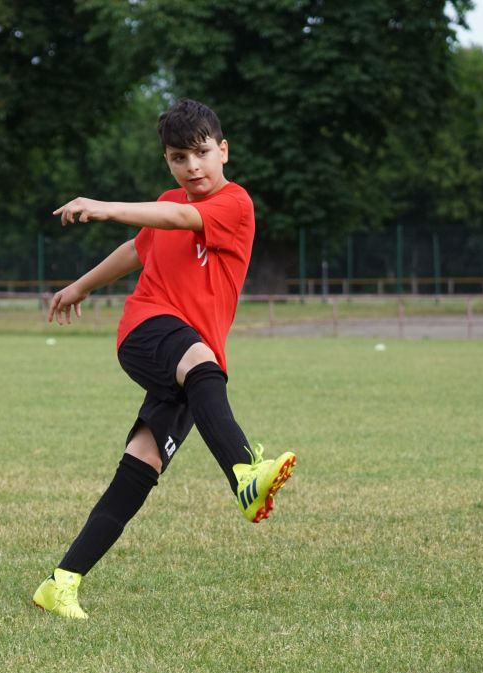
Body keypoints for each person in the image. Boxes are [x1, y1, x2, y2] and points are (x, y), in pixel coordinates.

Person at [32, 100, 297, 620]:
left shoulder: (235, 203)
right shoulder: (166, 203)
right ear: (168, 162)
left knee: (141, 465)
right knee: (202, 364)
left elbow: (175, 221)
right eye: (178, 157)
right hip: (149, 330)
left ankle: (61, 582)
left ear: (223, 151)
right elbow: (139, 248)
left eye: (201, 153)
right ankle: (244, 473)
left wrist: (107, 207)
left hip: (194, 367)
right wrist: (81, 285)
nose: (192, 166)